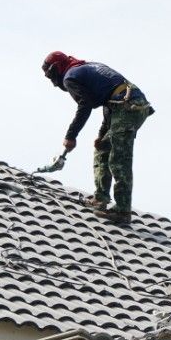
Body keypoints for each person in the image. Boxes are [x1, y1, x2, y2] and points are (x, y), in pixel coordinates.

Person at [41, 51, 154, 223]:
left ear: (57, 68)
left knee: (118, 158)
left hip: (128, 106)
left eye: (51, 77)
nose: (54, 84)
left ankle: (123, 211)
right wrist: (102, 134)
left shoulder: (70, 76)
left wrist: (71, 136)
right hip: (129, 104)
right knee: (102, 148)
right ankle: (100, 199)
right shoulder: (85, 68)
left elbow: (85, 105)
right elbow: (109, 100)